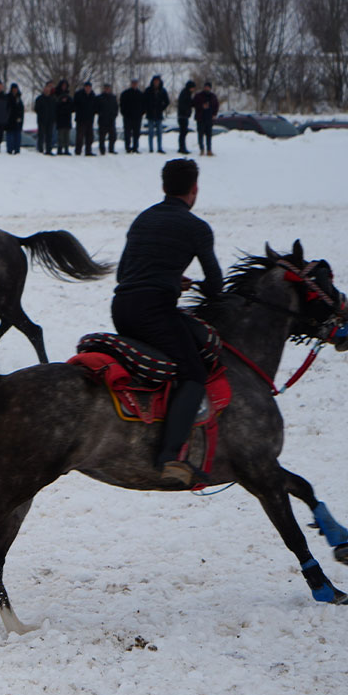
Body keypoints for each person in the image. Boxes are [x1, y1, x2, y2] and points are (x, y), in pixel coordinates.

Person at [110, 157, 223, 487]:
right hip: (154, 310)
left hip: (122, 308)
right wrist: (177, 281)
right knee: (194, 372)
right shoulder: (197, 227)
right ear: (194, 189)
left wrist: (171, 278)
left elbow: (123, 274)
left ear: (163, 187)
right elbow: (215, 286)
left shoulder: (143, 219)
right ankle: (171, 456)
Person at [193, 80, 220, 156]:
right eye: (206, 87)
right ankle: (201, 149)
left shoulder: (213, 96)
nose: (207, 88)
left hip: (209, 119)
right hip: (200, 118)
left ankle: (209, 150)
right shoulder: (198, 96)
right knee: (200, 135)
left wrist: (214, 114)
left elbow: (216, 106)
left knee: (209, 135)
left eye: (208, 87)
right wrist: (202, 106)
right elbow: (194, 104)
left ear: (210, 88)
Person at [144, 75, 170, 154]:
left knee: (159, 132)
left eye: (157, 81)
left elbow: (167, 101)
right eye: (155, 81)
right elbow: (144, 101)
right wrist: (147, 109)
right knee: (151, 132)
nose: (156, 83)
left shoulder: (163, 90)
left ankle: (159, 148)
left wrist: (161, 108)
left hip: (159, 114)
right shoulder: (148, 90)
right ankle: (151, 148)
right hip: (150, 114)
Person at [119, 78, 145, 154]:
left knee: (136, 134)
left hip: (137, 117)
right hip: (127, 117)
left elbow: (144, 105)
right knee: (127, 133)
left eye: (135, 83)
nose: (134, 84)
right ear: (131, 84)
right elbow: (122, 105)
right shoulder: (125, 94)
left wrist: (141, 113)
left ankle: (135, 147)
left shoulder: (140, 94)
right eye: (133, 83)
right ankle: (127, 147)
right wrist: (124, 113)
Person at [73, 81, 97, 157]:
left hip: (90, 119)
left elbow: (95, 106)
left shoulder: (93, 95)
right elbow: (75, 105)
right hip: (81, 119)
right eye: (87, 87)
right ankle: (78, 151)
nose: (88, 88)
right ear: (84, 87)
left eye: (89, 87)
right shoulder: (79, 94)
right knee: (80, 136)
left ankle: (88, 151)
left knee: (89, 136)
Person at [34, 82, 57, 155]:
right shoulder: (39, 99)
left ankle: (48, 149)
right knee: (41, 135)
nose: (47, 92)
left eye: (48, 91)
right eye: (46, 90)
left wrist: (54, 118)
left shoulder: (52, 99)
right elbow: (36, 109)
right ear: (44, 90)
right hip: (41, 120)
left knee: (49, 136)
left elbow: (55, 109)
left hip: (50, 120)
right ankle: (40, 149)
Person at [96, 83, 119, 155]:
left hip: (111, 120)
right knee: (102, 137)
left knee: (113, 136)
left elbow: (116, 107)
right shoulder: (99, 97)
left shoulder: (113, 97)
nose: (107, 89)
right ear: (104, 89)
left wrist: (114, 115)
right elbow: (96, 108)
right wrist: (100, 113)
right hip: (102, 120)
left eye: (108, 88)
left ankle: (111, 149)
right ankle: (102, 150)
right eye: (106, 88)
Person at [176, 79, 196, 154]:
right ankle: (182, 148)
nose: (193, 89)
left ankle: (182, 147)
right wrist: (187, 111)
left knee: (183, 132)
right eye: (193, 88)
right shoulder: (185, 93)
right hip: (183, 116)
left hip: (184, 116)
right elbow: (183, 104)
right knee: (183, 132)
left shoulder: (187, 93)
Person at [54, 79, 73, 156]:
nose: (64, 87)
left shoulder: (68, 95)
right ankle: (60, 149)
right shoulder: (57, 94)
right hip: (60, 117)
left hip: (67, 117)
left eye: (65, 86)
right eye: (63, 85)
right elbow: (56, 105)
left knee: (67, 135)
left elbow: (72, 106)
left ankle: (66, 149)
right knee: (60, 135)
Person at [5, 83, 24, 155]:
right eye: (13, 89)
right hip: (9, 120)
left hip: (18, 120)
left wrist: (20, 119)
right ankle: (9, 149)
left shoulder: (19, 98)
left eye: (16, 89)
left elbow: (21, 110)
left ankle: (17, 150)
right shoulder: (7, 97)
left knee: (17, 136)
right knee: (10, 136)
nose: (15, 90)